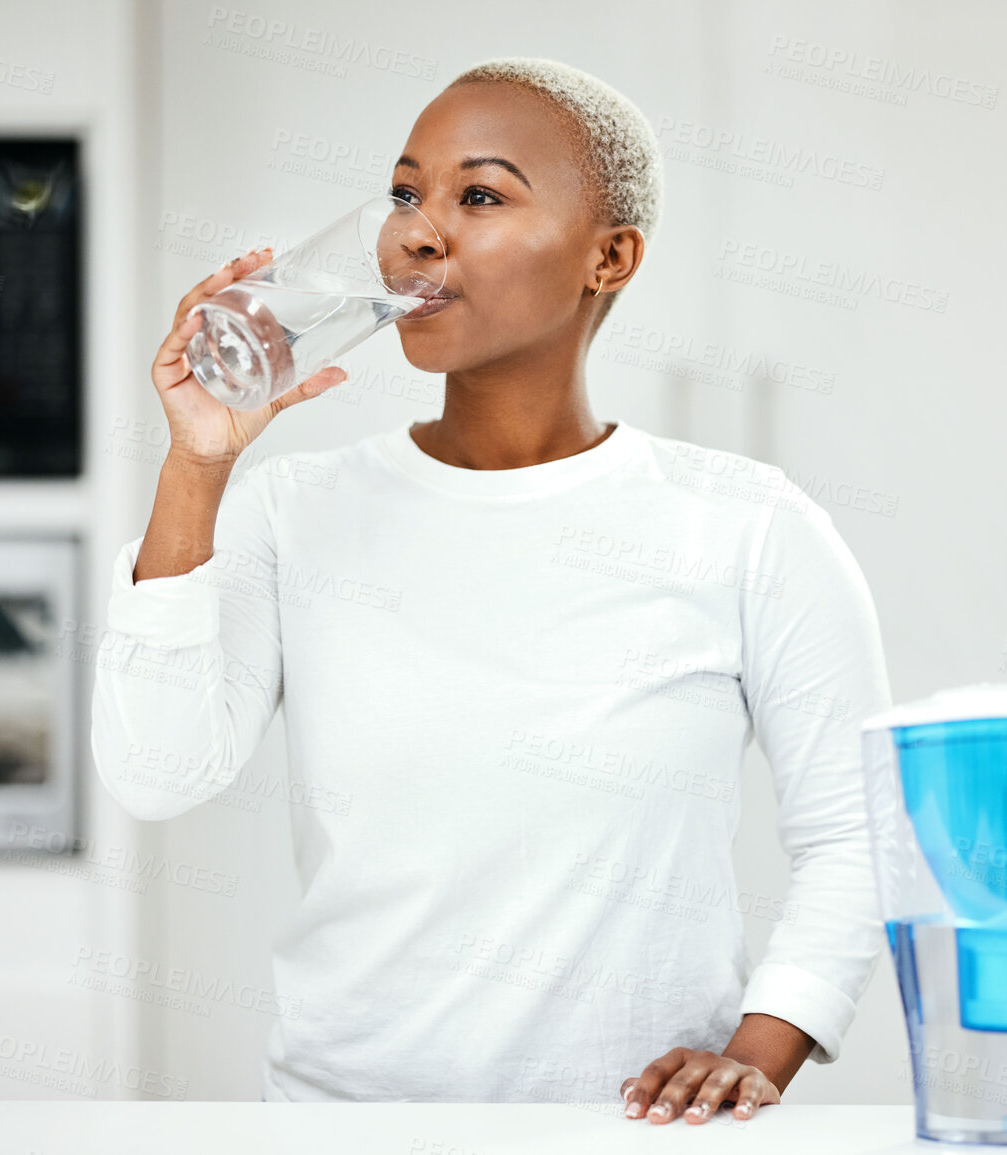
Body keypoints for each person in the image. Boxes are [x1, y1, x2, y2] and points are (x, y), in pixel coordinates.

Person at [93, 56, 892, 1126]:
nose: (418, 233)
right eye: (404, 193)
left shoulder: (746, 526)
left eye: (479, 195)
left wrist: (759, 1048)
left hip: (638, 1137)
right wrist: (196, 465)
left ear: (610, 256)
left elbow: (862, 836)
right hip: (344, 1129)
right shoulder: (293, 512)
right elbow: (155, 773)